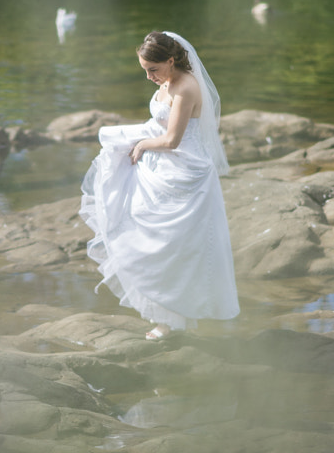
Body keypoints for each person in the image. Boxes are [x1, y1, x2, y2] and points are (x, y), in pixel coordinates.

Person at [80, 31, 239, 340]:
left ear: (170, 60)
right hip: (165, 166)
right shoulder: (168, 81)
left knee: (177, 248)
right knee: (148, 237)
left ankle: (175, 319)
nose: (149, 77)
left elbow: (171, 139)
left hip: (186, 173)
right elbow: (161, 126)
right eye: (145, 70)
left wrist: (140, 145)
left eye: (153, 70)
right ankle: (169, 317)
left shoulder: (187, 87)